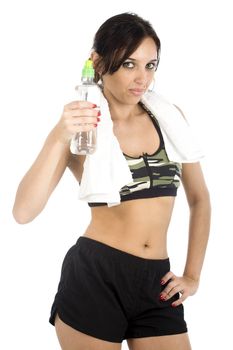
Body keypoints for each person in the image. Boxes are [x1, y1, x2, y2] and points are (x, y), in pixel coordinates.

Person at [12, 12, 211, 350]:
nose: (142, 78)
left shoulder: (169, 119)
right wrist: (59, 136)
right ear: (99, 62)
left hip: (157, 282)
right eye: (129, 64)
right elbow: (23, 212)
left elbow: (200, 199)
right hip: (95, 276)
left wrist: (192, 275)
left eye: (150, 66)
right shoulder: (81, 130)